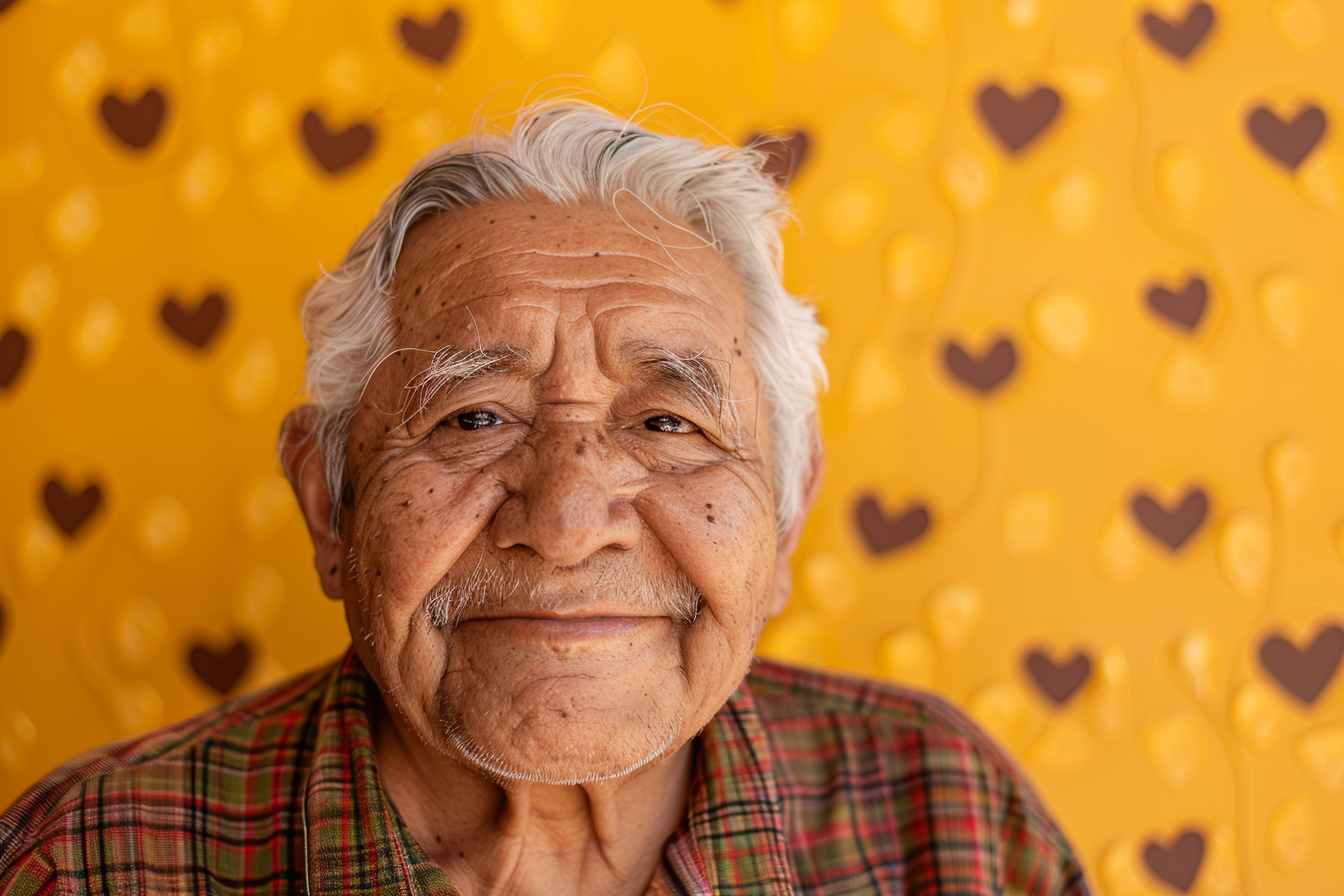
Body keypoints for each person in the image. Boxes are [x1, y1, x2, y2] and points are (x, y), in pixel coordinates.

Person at [0, 103, 1090, 896]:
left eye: (668, 422)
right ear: (327, 504)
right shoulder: (93, 858)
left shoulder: (947, 825)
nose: (568, 523)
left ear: (790, 508)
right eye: (473, 417)